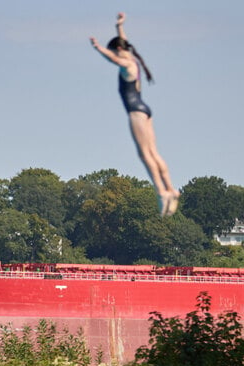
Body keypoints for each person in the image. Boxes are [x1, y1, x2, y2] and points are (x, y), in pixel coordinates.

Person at [90, 12, 179, 217]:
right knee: (154, 153)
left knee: (144, 154)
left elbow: (115, 59)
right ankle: (171, 189)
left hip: (136, 113)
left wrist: (98, 48)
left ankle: (162, 192)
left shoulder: (127, 63)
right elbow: (125, 44)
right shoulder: (132, 59)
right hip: (146, 110)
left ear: (118, 50)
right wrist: (119, 26)